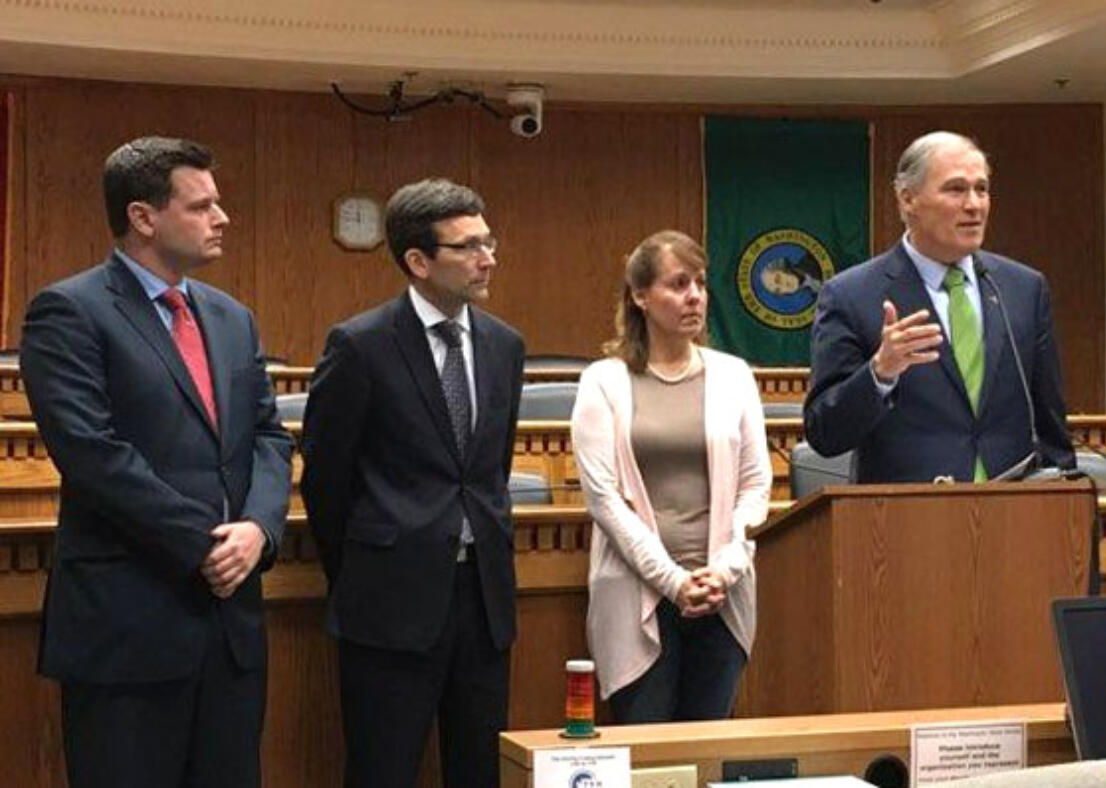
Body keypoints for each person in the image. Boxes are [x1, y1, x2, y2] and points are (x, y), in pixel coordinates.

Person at [20, 136, 293, 788]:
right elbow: (92, 453)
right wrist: (201, 542)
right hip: (129, 621)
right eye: (201, 206)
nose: (222, 218)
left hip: (229, 625)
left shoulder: (231, 317)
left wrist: (259, 528)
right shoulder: (70, 311)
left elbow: (269, 437)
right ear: (143, 217)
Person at [300, 178, 524, 787]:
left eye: (489, 240)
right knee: (383, 769)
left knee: (480, 770)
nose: (488, 257)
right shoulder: (361, 344)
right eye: (468, 247)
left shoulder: (505, 345)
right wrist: (363, 569)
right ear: (418, 261)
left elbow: (491, 469)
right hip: (387, 600)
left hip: (482, 600)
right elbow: (326, 478)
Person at [571, 230, 772, 722]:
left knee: (705, 754)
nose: (695, 297)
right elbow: (604, 500)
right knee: (646, 757)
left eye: (700, 283)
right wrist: (673, 581)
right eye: (678, 284)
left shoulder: (733, 374)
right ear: (640, 296)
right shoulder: (604, 380)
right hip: (637, 596)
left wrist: (723, 570)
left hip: (721, 593)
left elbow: (755, 485)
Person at [804, 131, 1074, 483]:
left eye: (982, 189)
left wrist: (1066, 499)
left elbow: (1051, 422)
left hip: (1012, 517)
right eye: (956, 189)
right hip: (905, 522)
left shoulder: (1023, 288)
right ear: (907, 199)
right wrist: (880, 373)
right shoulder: (851, 295)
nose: (974, 205)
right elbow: (825, 433)